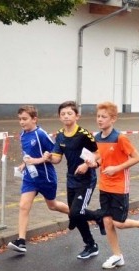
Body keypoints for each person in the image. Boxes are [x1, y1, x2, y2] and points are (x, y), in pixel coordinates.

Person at [90, 102, 139, 269]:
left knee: (118, 223)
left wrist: (117, 168)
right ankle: (117, 256)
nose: (100, 119)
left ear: (113, 119)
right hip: (104, 185)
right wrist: (93, 163)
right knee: (107, 221)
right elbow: (100, 158)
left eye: (103, 117)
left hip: (119, 185)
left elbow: (136, 157)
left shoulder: (120, 138)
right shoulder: (97, 138)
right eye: (98, 116)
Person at [44, 101, 104, 260]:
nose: (66, 116)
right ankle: (94, 231)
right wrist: (49, 157)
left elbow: (98, 154)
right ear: (59, 117)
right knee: (74, 214)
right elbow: (57, 158)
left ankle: (95, 229)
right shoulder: (60, 135)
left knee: (77, 213)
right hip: (71, 180)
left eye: (69, 113)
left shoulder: (84, 134)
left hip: (86, 180)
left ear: (77, 116)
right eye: (63, 114)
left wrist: (86, 164)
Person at [7, 106, 70, 253]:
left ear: (34, 119)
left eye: (25, 119)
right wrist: (24, 164)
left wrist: (40, 160)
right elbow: (29, 155)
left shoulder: (41, 134)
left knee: (52, 205)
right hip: (30, 178)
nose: (21, 122)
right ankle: (21, 241)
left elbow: (55, 157)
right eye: (20, 119)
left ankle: (78, 214)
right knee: (23, 206)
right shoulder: (22, 135)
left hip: (46, 177)